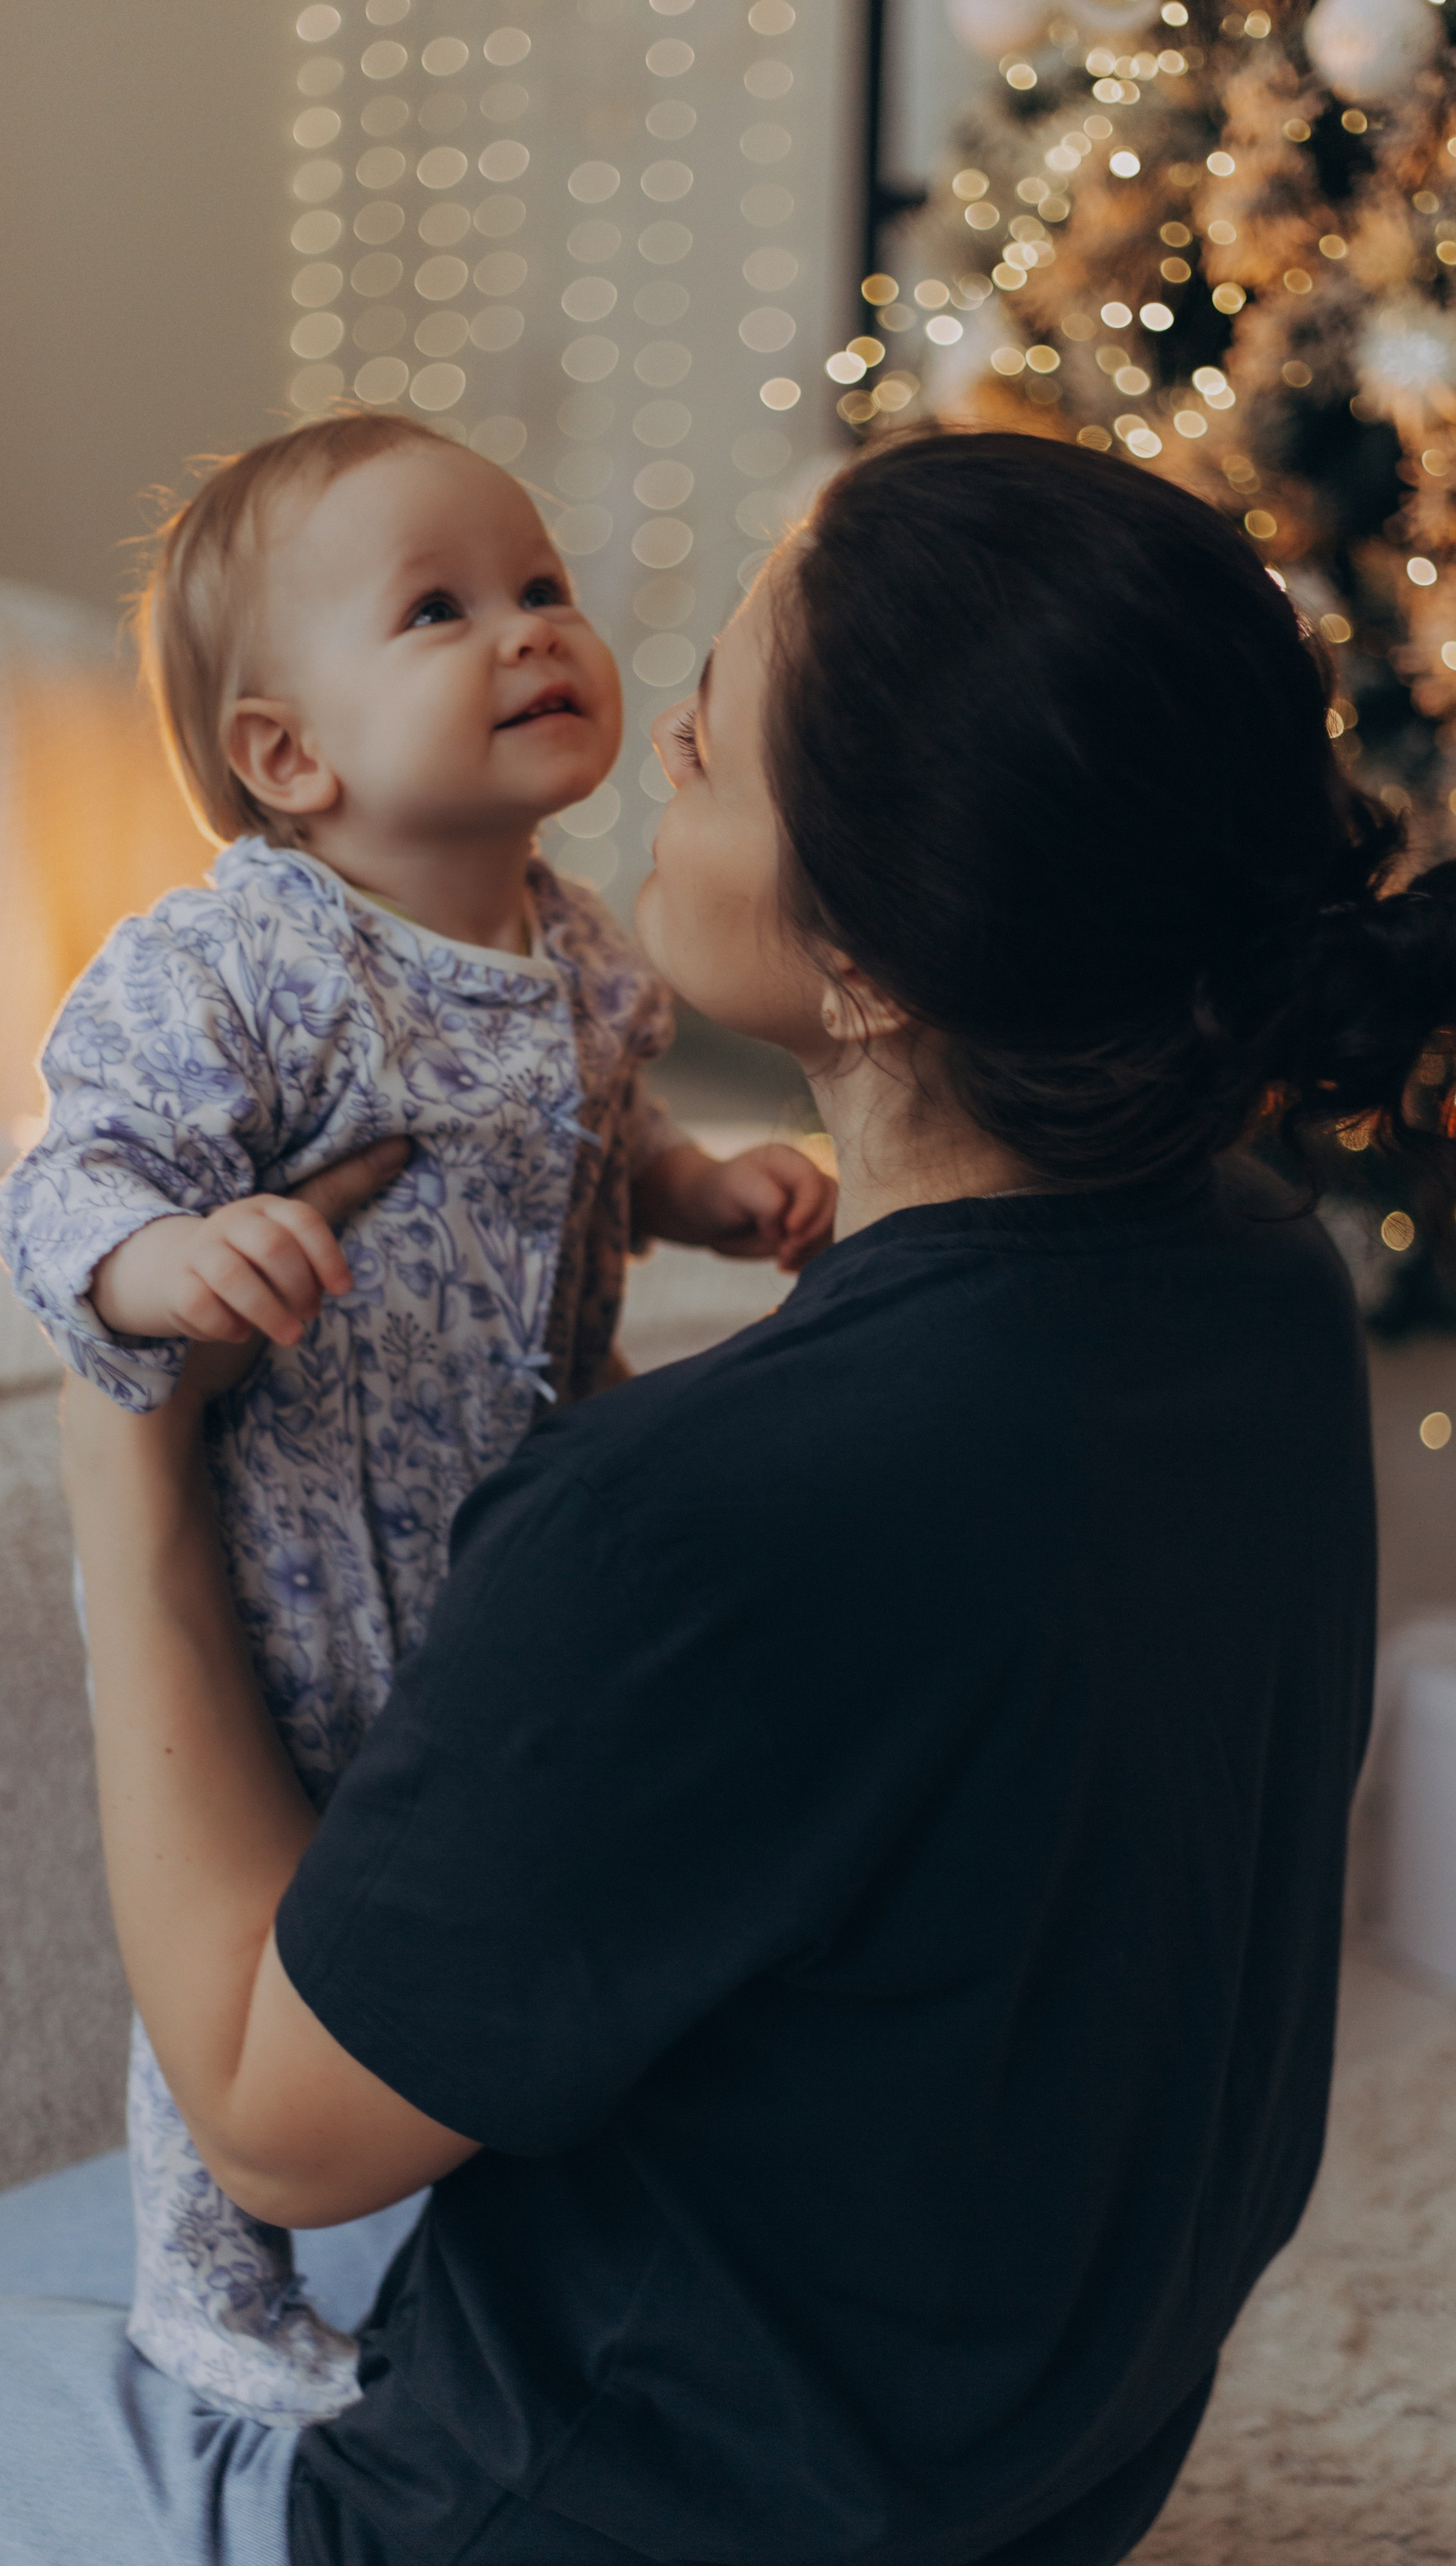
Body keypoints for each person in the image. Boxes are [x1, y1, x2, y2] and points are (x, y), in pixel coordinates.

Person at [0, 431, 1456, 2566]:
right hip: (1032, 2472)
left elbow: (276, 2132)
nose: (649, 736)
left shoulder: (684, 1515)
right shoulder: (1256, 1278)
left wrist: (126, 1437)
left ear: (872, 972)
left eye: (715, 741)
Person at [0, 411, 833, 2426]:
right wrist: (166, 1262)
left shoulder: (580, 951)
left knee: (477, 1880)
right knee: (269, 1923)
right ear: (290, 756)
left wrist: (700, 1189)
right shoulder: (240, 962)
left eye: (540, 586)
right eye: (441, 610)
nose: (530, 629)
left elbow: (601, 1142)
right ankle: (208, 2273)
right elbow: (64, 1180)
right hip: (286, 1556)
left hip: (505, 1529)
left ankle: (492, 2180)